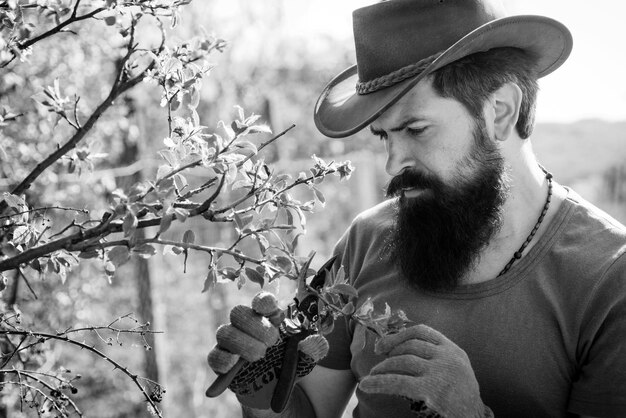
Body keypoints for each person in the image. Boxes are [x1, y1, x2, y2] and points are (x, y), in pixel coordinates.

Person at [208, 0, 626, 417]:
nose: (394, 164)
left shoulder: (608, 279)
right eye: (385, 137)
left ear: (500, 112)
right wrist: (260, 387)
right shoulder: (366, 240)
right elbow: (304, 409)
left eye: (415, 129)